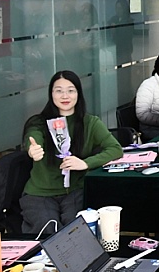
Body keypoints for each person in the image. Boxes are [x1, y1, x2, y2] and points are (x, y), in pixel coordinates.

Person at [21, 71, 122, 234]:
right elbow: (33, 138)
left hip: (75, 190)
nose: (65, 96)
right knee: (49, 228)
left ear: (78, 93)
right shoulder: (38, 122)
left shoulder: (90, 122)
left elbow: (115, 149)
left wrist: (85, 163)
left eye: (70, 90)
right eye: (58, 91)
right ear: (51, 94)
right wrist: (34, 149)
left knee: (75, 229)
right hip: (40, 193)